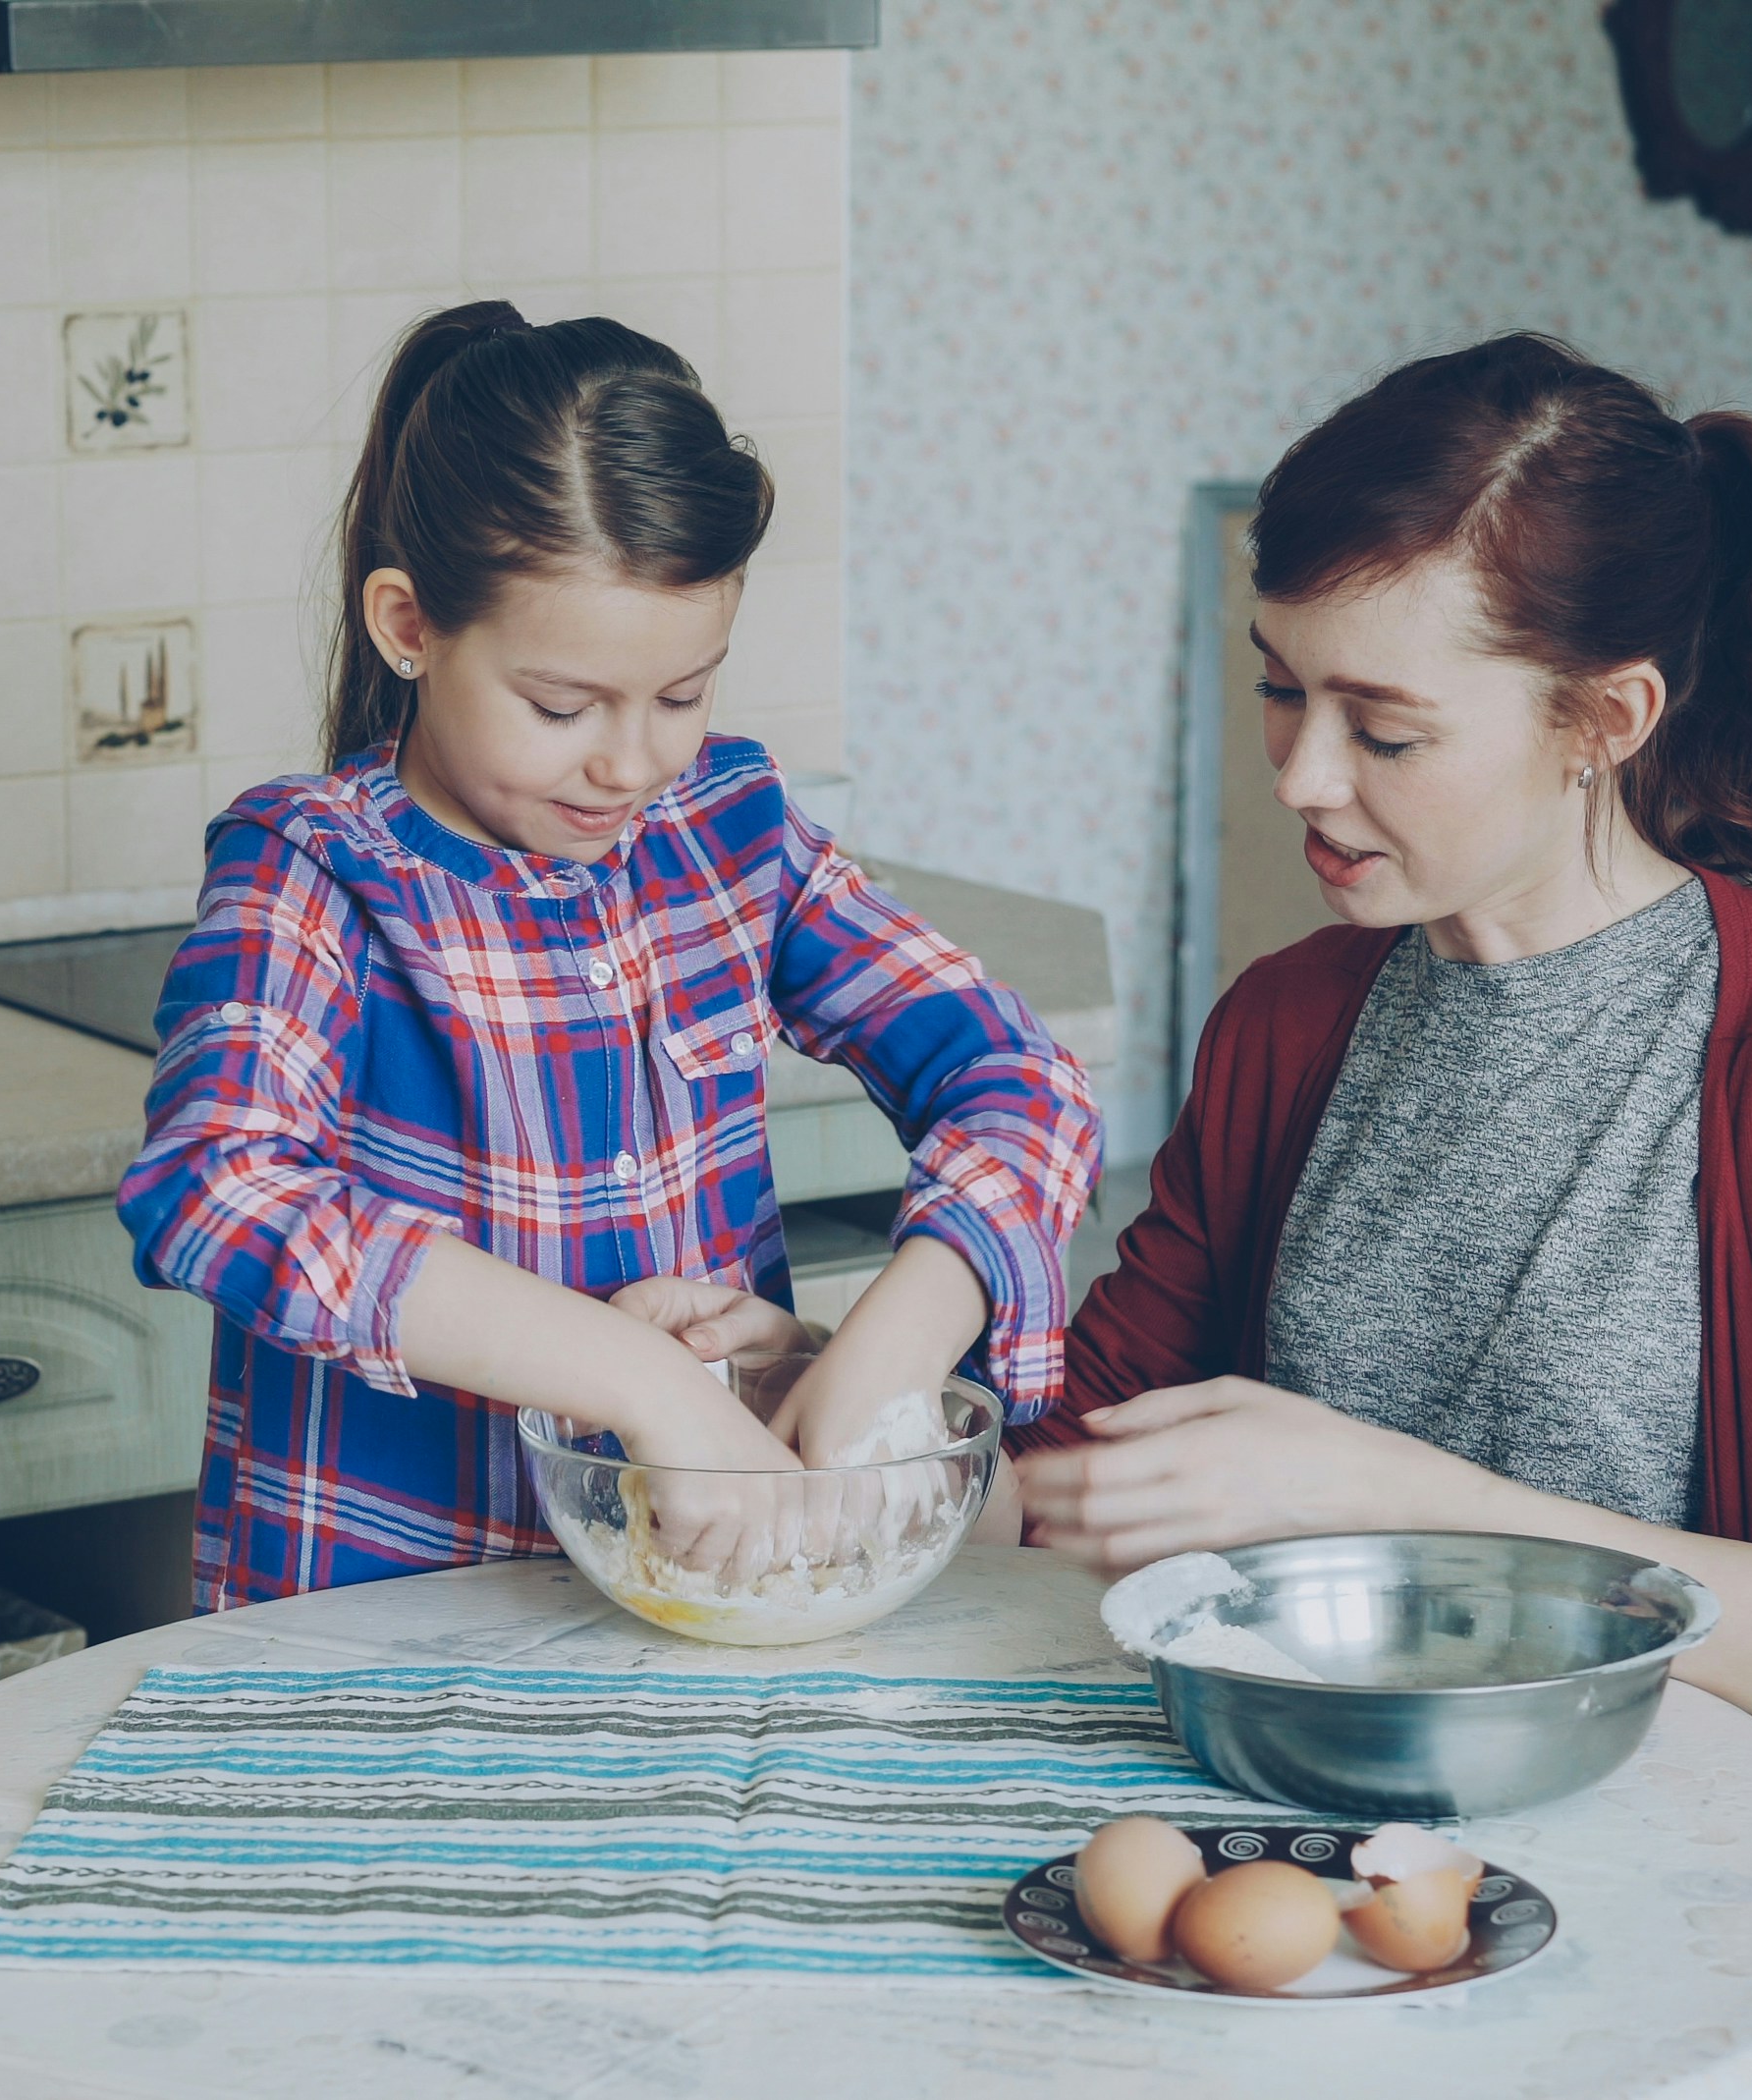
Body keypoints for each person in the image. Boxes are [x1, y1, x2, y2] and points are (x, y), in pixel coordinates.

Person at [1014, 334, 1752, 2097]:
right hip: (1355, 1914)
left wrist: (1386, 1497)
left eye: (1387, 727)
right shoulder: (1293, 1021)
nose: (1299, 775)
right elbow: (1087, 1455)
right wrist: (841, 1387)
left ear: (1606, 719)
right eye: (1283, 689)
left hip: (1720, 1944)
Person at [118, 301, 1101, 1610]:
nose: (632, 763)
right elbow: (216, 1183)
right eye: (562, 705)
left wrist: (881, 1354)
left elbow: (1024, 1084)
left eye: (683, 695)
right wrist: (631, 1379)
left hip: (697, 1605)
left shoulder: (727, 835)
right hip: (384, 1633)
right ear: (408, 625)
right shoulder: (315, 870)